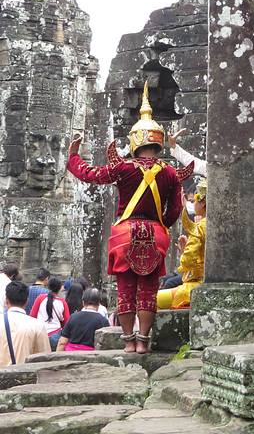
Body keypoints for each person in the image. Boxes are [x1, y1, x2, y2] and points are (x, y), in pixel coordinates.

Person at [67, 81, 182, 353]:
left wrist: (73, 156)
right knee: (149, 290)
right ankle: (144, 341)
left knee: (126, 289)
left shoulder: (123, 168)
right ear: (158, 141)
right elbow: (175, 210)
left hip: (124, 236)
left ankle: (128, 341)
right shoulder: (170, 173)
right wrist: (160, 225)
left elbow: (90, 174)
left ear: (135, 141)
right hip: (154, 235)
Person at [157, 179, 207, 310]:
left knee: (151, 301)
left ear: (203, 202)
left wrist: (184, 252)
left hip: (197, 286)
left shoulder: (200, 228)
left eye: (195, 200)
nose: (194, 204)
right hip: (215, 285)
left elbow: (188, 263)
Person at [0, 280, 50, 365]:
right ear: (26, 301)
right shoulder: (37, 326)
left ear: (6, 300)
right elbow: (45, 358)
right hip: (25, 376)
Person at [57, 288, 109, 352]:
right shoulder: (103, 321)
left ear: (83, 303)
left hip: (71, 354)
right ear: (98, 303)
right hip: (92, 356)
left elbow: (62, 342)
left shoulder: (73, 317)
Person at [30, 276, 70, 351]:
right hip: (55, 334)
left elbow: (32, 317)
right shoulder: (62, 302)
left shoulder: (40, 298)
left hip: (41, 333)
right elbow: (66, 322)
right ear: (59, 288)